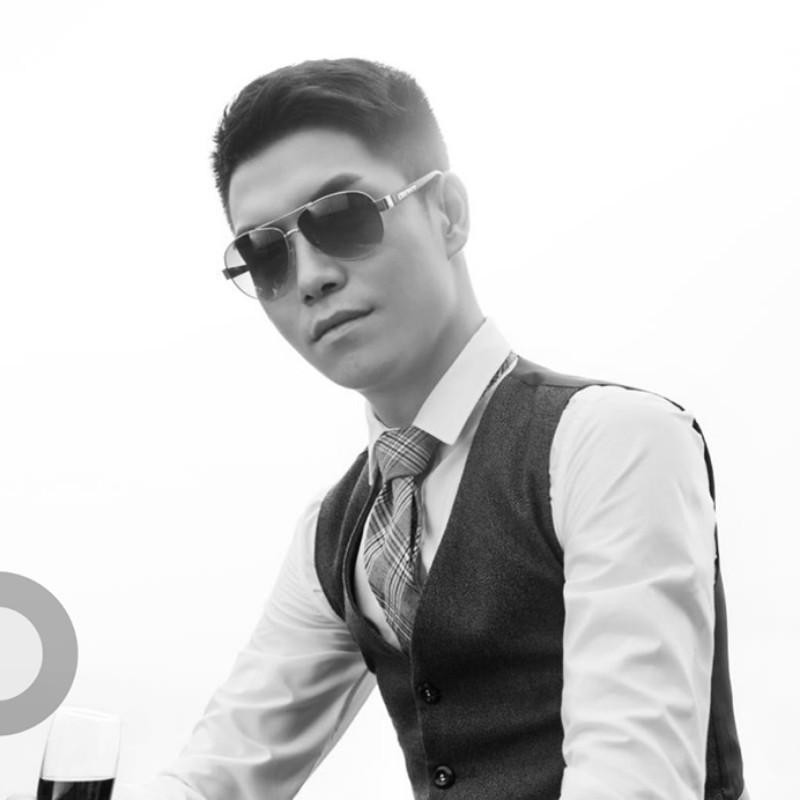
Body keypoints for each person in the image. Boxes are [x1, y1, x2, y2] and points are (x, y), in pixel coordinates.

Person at [144, 58, 746, 799]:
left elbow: (632, 780)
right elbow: (219, 769)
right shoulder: (332, 536)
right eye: (264, 255)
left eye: (343, 216)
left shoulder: (611, 442)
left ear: (449, 215)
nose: (309, 278)